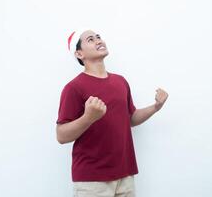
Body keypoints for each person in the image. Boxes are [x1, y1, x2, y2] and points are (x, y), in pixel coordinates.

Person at [56, 28, 168, 197]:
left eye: (99, 37)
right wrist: (88, 118)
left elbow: (130, 118)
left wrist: (155, 107)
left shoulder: (120, 81)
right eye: (91, 39)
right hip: (92, 181)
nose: (99, 40)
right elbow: (61, 136)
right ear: (79, 54)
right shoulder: (73, 88)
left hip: (125, 175)